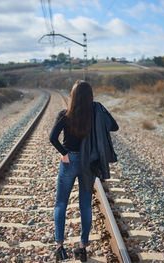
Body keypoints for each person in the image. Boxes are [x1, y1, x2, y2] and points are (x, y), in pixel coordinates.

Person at [49, 80, 118, 262]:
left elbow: (52, 137)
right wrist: (100, 110)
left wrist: (64, 154)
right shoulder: (95, 113)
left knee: (60, 203)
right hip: (88, 162)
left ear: (72, 96)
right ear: (90, 97)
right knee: (85, 205)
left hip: (69, 161)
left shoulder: (65, 114)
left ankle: (59, 248)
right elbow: (114, 126)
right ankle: (82, 248)